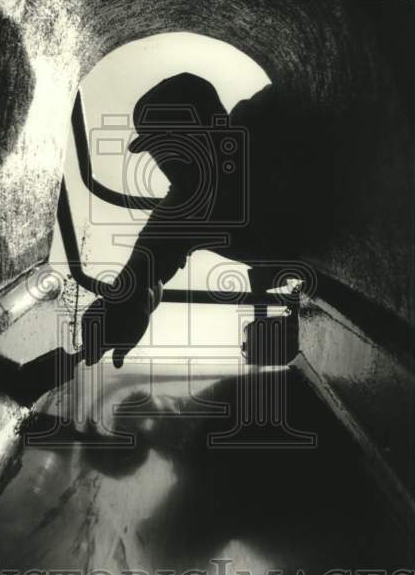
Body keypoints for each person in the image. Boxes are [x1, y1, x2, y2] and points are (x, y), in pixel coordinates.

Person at [81, 72, 300, 368]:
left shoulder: (269, 117)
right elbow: (145, 265)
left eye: (168, 146)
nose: (162, 162)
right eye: (157, 151)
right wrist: (124, 308)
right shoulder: (190, 201)